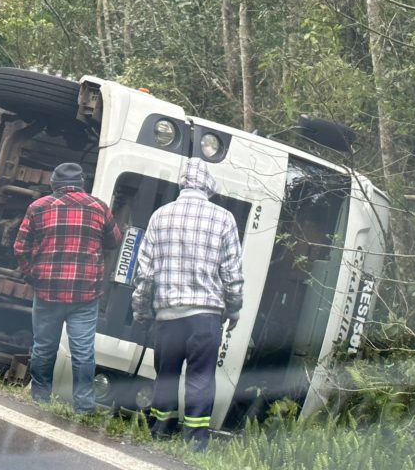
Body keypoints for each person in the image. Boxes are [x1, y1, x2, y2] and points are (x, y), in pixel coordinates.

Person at [131, 157, 244, 450]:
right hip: (206, 316)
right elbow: (231, 272)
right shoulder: (224, 219)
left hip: (168, 316)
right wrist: (233, 309)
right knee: (201, 377)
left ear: (183, 184)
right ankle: (195, 441)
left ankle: (160, 430)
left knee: (166, 375)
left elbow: (145, 272)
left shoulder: (160, 216)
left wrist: (141, 309)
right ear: (209, 186)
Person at [14, 162, 122, 413]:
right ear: (81, 183)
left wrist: (32, 275)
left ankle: (40, 398)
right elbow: (114, 241)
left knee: (44, 347)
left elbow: (21, 247)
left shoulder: (38, 208)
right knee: (83, 350)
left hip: (48, 291)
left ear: (55, 183)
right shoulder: (99, 208)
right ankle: (83, 405)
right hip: (85, 293)